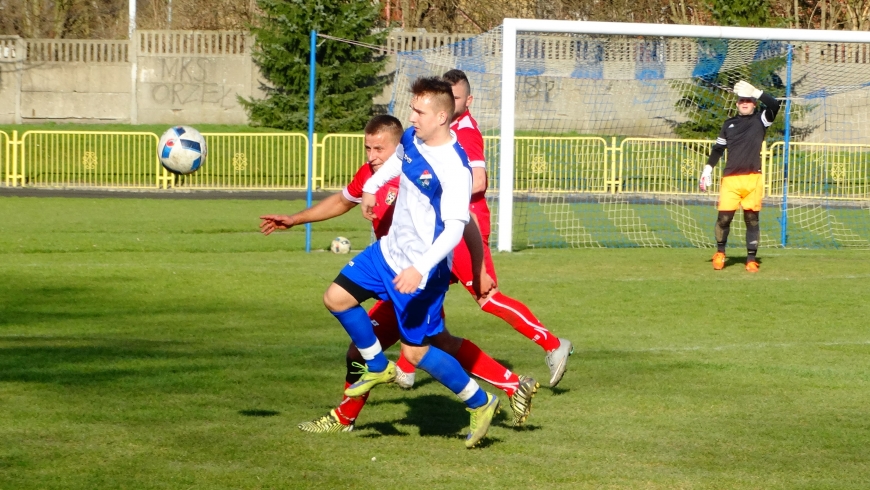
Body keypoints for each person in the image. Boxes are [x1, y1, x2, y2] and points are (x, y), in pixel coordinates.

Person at [260, 114, 539, 433]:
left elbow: (465, 221)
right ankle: (513, 385)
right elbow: (342, 200)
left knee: (371, 350)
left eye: (379, 149)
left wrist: (478, 267)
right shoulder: (371, 173)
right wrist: (295, 219)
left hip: (417, 278)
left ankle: (345, 418)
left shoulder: (423, 172)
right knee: (439, 342)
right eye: (367, 148)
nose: (371, 156)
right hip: (389, 270)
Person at [395, 68, 571, 388]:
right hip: (445, 223)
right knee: (421, 286)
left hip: (465, 224)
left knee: (486, 296)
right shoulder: (439, 131)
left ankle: (553, 344)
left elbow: (478, 180)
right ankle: (407, 363)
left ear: (467, 101)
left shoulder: (465, 131)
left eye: (456, 98)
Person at [700, 80, 781, 273]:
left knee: (752, 219)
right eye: (741, 100)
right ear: (737, 104)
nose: (745, 103)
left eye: (748, 100)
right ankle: (720, 253)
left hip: (753, 179)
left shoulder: (761, 119)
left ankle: (751, 259)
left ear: (753, 103)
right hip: (731, 180)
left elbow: (775, 104)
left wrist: (757, 91)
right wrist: (708, 168)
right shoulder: (728, 124)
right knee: (724, 219)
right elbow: (718, 148)